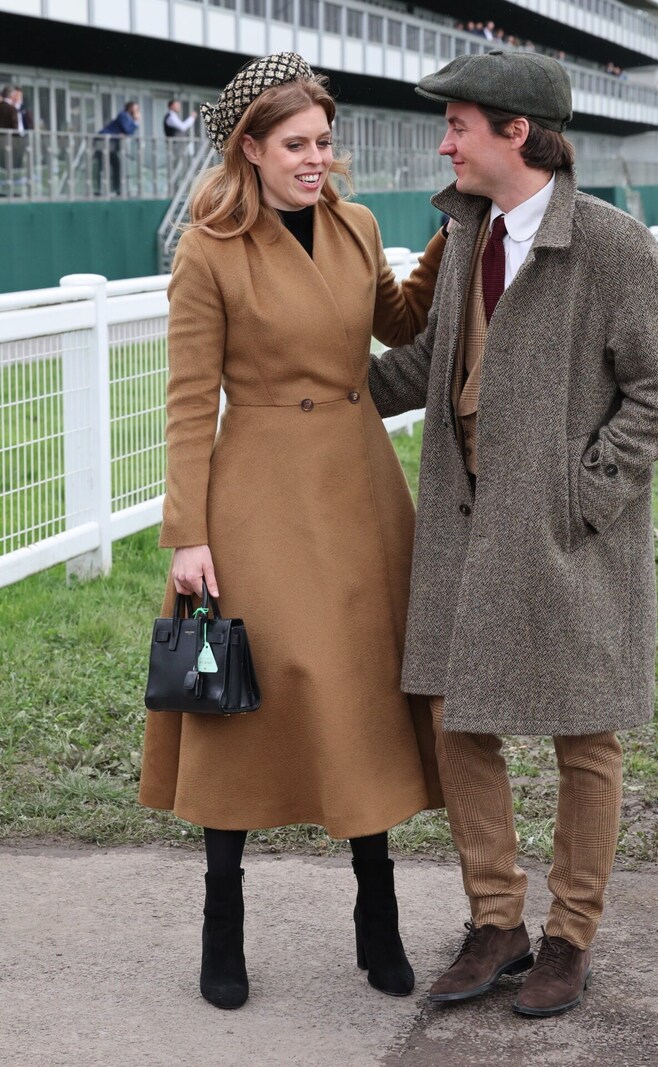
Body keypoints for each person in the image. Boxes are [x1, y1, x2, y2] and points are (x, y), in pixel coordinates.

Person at [368, 49, 658, 1018]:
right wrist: (299, 374)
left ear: (516, 131)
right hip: (466, 528)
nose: (444, 141)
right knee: (453, 714)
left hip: (563, 534)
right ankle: (496, 920)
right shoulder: (465, 233)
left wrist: (577, 494)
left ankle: (568, 938)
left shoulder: (611, 244)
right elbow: (421, 366)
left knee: (581, 732)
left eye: (458, 123)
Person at [138, 52, 445, 1011]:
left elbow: (397, 325)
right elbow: (190, 403)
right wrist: (188, 533)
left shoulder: (357, 226)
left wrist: (449, 239)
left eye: (324, 141)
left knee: (360, 690)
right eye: (298, 145)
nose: (318, 159)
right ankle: (220, 926)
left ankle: (377, 918)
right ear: (252, 150)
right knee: (246, 699)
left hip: (357, 488)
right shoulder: (210, 249)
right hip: (258, 495)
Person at [94, 100, 140, 194]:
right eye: (136, 109)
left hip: (110, 144)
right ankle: (99, 190)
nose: (137, 111)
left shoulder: (127, 118)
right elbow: (128, 131)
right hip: (104, 141)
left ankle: (116, 189)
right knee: (103, 166)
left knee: (115, 165)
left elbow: (128, 132)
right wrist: (136, 121)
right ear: (130, 108)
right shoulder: (124, 115)